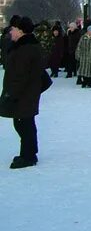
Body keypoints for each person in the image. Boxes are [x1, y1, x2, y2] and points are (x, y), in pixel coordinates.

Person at [2, 16, 47, 169]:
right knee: (25, 123)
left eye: (13, 29)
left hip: (23, 94)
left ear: (20, 31)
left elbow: (19, 76)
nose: (11, 32)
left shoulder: (25, 49)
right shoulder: (26, 46)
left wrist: (10, 94)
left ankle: (28, 156)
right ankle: (29, 153)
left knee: (23, 124)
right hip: (27, 92)